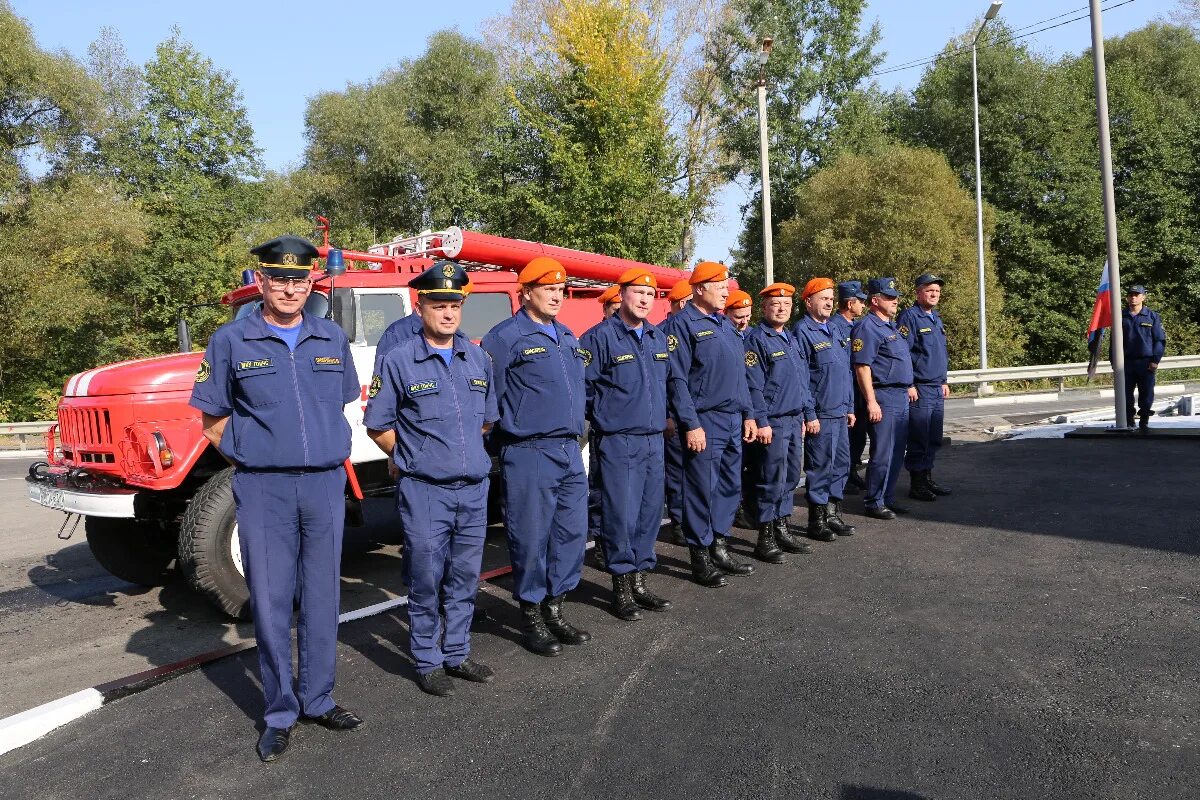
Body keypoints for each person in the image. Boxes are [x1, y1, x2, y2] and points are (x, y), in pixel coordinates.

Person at [190, 235, 363, 763]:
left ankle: (318, 697)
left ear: (312, 282)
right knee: (268, 600)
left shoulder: (330, 337)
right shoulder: (230, 341)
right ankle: (280, 711)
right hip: (264, 487)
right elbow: (212, 418)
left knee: (321, 597)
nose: (289, 288)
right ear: (261, 282)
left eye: (299, 278)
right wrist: (252, 456)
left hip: (324, 484)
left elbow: (344, 400)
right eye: (279, 278)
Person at [364, 261, 499, 697]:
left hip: (473, 489)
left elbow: (485, 422)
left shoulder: (478, 357)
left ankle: (457, 653)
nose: (448, 313)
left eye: (455, 305)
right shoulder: (400, 360)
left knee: (463, 577)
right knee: (426, 578)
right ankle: (427, 659)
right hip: (425, 491)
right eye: (439, 305)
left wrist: (457, 453)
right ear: (420, 307)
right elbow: (378, 424)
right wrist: (415, 456)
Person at [481, 256, 590, 657]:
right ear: (525, 293)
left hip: (568, 449)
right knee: (530, 537)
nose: (557, 295)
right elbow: (489, 397)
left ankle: (555, 606)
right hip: (528, 450)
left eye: (561, 289)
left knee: (571, 533)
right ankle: (531, 613)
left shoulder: (567, 336)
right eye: (548, 289)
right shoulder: (505, 337)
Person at [580, 268, 672, 621]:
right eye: (638, 293)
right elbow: (584, 391)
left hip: (652, 440)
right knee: (621, 515)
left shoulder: (657, 338)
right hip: (619, 440)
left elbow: (667, 384)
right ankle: (620, 587)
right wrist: (607, 416)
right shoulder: (599, 338)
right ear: (623, 296)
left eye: (650, 295)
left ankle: (641, 581)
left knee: (650, 512)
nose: (645, 300)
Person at [663, 262, 758, 587]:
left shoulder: (725, 325)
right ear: (700, 288)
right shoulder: (682, 325)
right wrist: (690, 424)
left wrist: (749, 414)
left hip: (732, 419)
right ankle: (700, 555)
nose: (725, 294)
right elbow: (676, 380)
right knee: (701, 489)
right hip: (704, 420)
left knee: (729, 487)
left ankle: (719, 545)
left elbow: (740, 377)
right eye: (720, 288)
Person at [743, 283, 815, 562]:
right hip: (772, 422)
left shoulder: (791, 338)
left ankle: (782, 528)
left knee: (789, 478)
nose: (782, 309)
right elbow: (753, 386)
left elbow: (802, 382)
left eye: (786, 304)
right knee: (769, 480)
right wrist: (761, 421)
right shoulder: (757, 340)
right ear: (764, 308)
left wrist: (808, 415)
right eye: (776, 304)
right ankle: (765, 537)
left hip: (794, 418)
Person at [792, 278, 857, 542]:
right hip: (821, 413)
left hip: (840, 411)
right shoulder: (802, 331)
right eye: (823, 298)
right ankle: (816, 520)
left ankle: (833, 513)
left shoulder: (835, 330)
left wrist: (851, 406)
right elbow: (801, 379)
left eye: (831, 298)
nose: (829, 302)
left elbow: (846, 372)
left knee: (841, 464)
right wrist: (809, 414)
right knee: (820, 466)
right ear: (809, 302)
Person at [852, 277, 914, 521]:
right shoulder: (867, 327)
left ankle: (887, 497)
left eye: (895, 296)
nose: (895, 300)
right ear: (875, 300)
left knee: (898, 451)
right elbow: (862, 367)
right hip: (884, 395)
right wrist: (871, 401)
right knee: (883, 453)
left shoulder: (891, 326)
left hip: (899, 395)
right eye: (889, 297)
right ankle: (874, 500)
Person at [899, 273, 951, 501]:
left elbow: (940, 354)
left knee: (933, 436)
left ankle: (927, 477)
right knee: (919, 437)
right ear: (918, 292)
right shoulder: (910, 317)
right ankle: (917, 483)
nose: (934, 294)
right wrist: (909, 383)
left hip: (936, 386)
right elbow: (903, 354)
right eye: (930, 290)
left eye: (937, 291)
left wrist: (943, 381)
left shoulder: (935, 318)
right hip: (919, 387)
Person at [662, 277, 693, 545]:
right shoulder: (670, 330)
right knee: (678, 472)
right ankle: (680, 521)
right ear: (684, 302)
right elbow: (668, 379)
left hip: (690, 413)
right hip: (675, 414)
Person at [830, 280, 869, 493]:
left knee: (859, 434)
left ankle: (851, 471)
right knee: (847, 437)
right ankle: (844, 476)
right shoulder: (835, 326)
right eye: (860, 301)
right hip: (846, 390)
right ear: (849, 303)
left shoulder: (856, 326)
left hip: (858, 390)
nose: (863, 305)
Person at [1120, 285, 1166, 431]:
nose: (1133, 297)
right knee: (1125, 394)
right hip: (1125, 363)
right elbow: (1114, 342)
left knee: (1146, 394)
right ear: (1127, 297)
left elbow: (1159, 340)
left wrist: (1155, 360)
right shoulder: (1120, 316)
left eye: (1137, 294)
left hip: (1146, 363)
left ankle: (1144, 421)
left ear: (1143, 297)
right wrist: (1114, 361)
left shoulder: (1152, 316)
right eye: (1131, 295)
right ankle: (1129, 421)